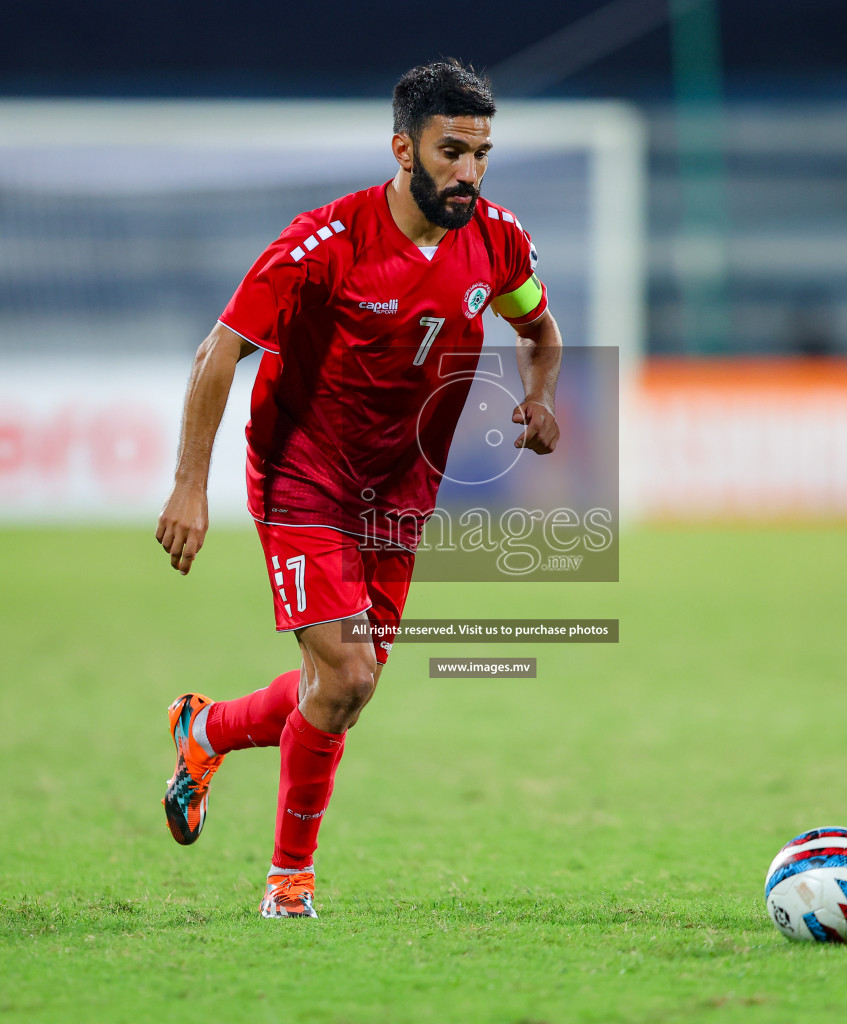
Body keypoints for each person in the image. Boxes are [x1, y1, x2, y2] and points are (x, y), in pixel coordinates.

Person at [153, 59, 562, 919]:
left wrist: (540, 394)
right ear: (402, 148)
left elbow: (539, 328)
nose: (469, 172)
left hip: (402, 486)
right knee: (346, 673)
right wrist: (191, 486)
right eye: (451, 151)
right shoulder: (325, 243)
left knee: (346, 685)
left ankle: (207, 729)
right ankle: (288, 882)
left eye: (481, 153)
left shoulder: (496, 239)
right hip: (304, 471)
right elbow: (218, 350)